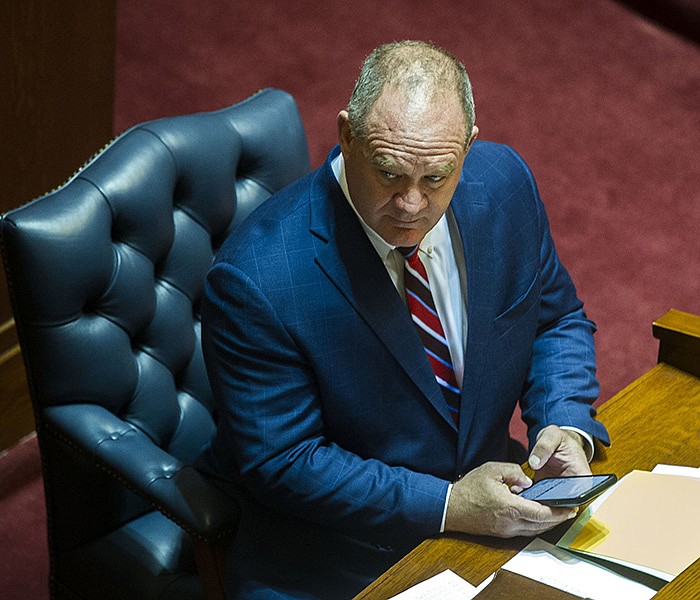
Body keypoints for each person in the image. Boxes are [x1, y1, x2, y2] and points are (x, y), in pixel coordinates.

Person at [198, 40, 610, 599]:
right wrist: (447, 505)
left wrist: (565, 420)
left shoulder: (504, 187)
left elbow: (556, 319)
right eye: (388, 174)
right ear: (347, 137)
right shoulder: (257, 280)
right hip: (339, 557)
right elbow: (282, 461)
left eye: (436, 179)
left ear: (468, 147)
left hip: (500, 517)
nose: (411, 205)